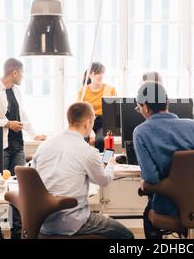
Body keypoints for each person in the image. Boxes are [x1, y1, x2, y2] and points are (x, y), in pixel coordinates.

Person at [133, 82, 194, 239]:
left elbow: (151, 178)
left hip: (170, 207)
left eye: (139, 107)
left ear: (146, 107)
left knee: (148, 216)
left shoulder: (141, 132)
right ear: (167, 102)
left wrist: (144, 184)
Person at [32, 102, 134, 239]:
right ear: (87, 123)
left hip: (43, 222)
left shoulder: (44, 146)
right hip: (72, 222)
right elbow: (103, 180)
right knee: (127, 236)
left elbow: (33, 176)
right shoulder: (87, 151)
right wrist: (110, 164)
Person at [0, 58, 46, 239]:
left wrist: (34, 134)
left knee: (19, 190)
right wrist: (6, 123)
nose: (23, 76)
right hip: (0, 147)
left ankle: (18, 232)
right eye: (22, 73)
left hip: (18, 147)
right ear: (14, 72)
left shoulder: (17, 91)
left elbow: (23, 115)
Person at [77, 62, 117, 151]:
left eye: (102, 73)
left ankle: (104, 163)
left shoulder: (110, 89)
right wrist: (90, 131)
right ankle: (87, 162)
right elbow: (79, 113)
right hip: (87, 122)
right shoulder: (82, 91)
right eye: (97, 73)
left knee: (101, 140)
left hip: (105, 122)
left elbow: (115, 111)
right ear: (90, 74)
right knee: (83, 139)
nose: (100, 75)